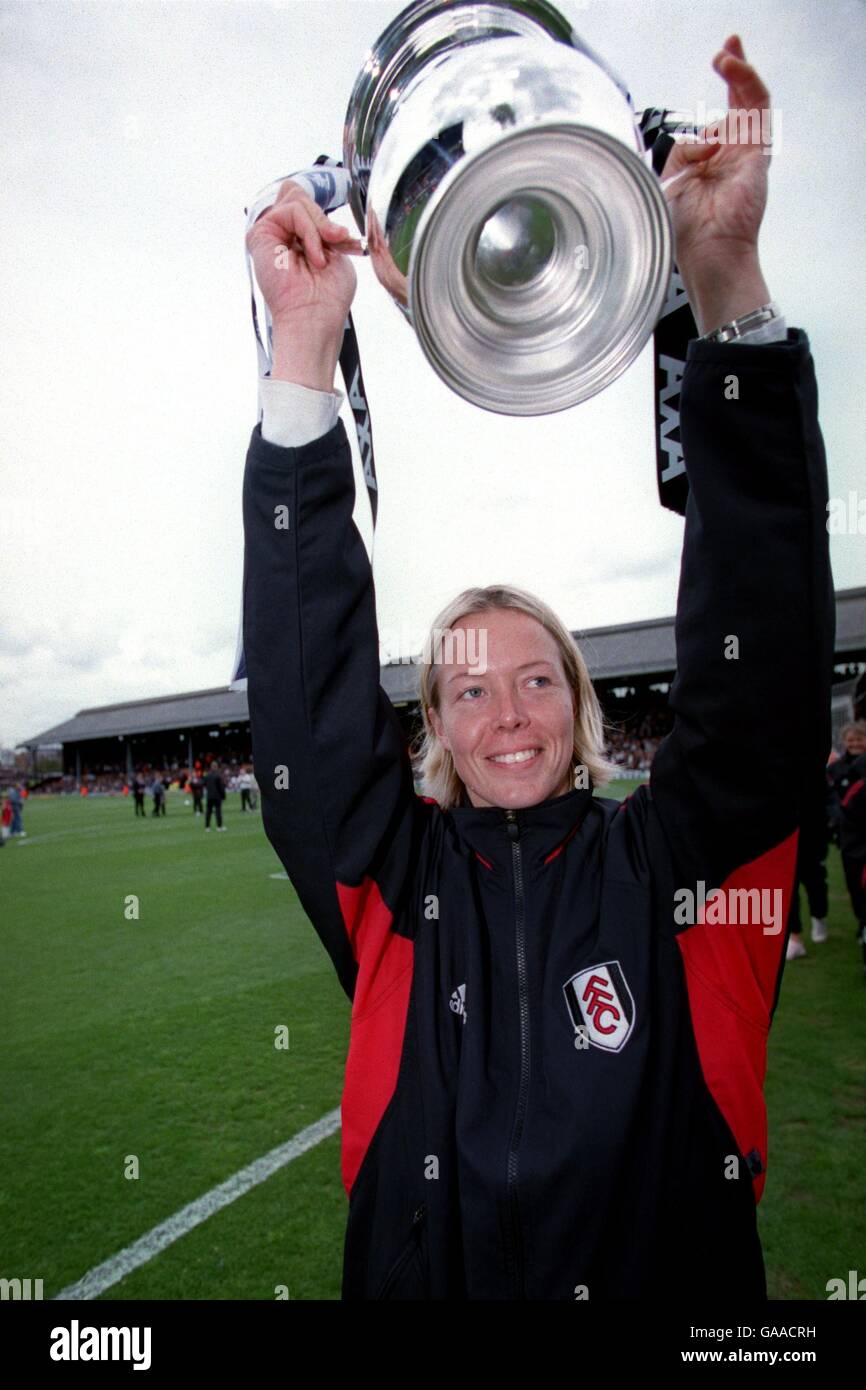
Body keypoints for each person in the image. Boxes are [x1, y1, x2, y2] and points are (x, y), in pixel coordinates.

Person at [242, 39, 834, 1299]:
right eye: (466, 686)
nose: (504, 711)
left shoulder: (678, 870)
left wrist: (722, 286)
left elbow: (762, 660)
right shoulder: (394, 890)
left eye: (535, 680)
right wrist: (301, 358)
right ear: (434, 731)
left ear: (580, 712)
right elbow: (304, 703)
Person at [827, 721, 866, 970]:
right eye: (851, 740)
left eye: (859, 739)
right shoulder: (837, 769)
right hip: (851, 842)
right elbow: (838, 804)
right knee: (855, 889)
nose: (855, 744)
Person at [204, 763, 227, 831]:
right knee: (218, 812)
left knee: (208, 812)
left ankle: (207, 827)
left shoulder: (207, 775)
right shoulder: (218, 776)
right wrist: (223, 796)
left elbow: (204, 784)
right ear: (216, 767)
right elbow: (221, 787)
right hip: (217, 796)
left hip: (209, 796)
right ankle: (219, 827)